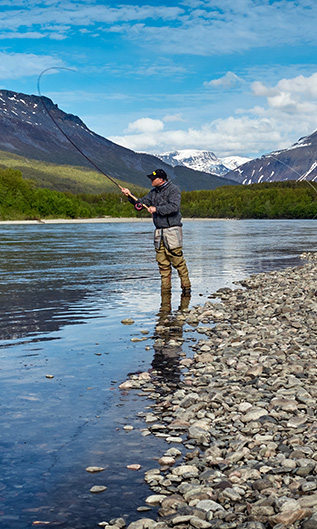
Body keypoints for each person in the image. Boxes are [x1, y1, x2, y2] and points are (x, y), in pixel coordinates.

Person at [121, 168, 191, 294]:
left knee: (178, 262)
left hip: (172, 231)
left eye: (153, 179)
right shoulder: (154, 192)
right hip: (159, 233)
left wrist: (156, 209)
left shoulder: (173, 190)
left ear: (161, 179)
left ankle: (186, 289)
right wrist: (129, 196)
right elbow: (141, 204)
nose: (151, 181)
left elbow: (174, 207)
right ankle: (165, 292)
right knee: (162, 265)